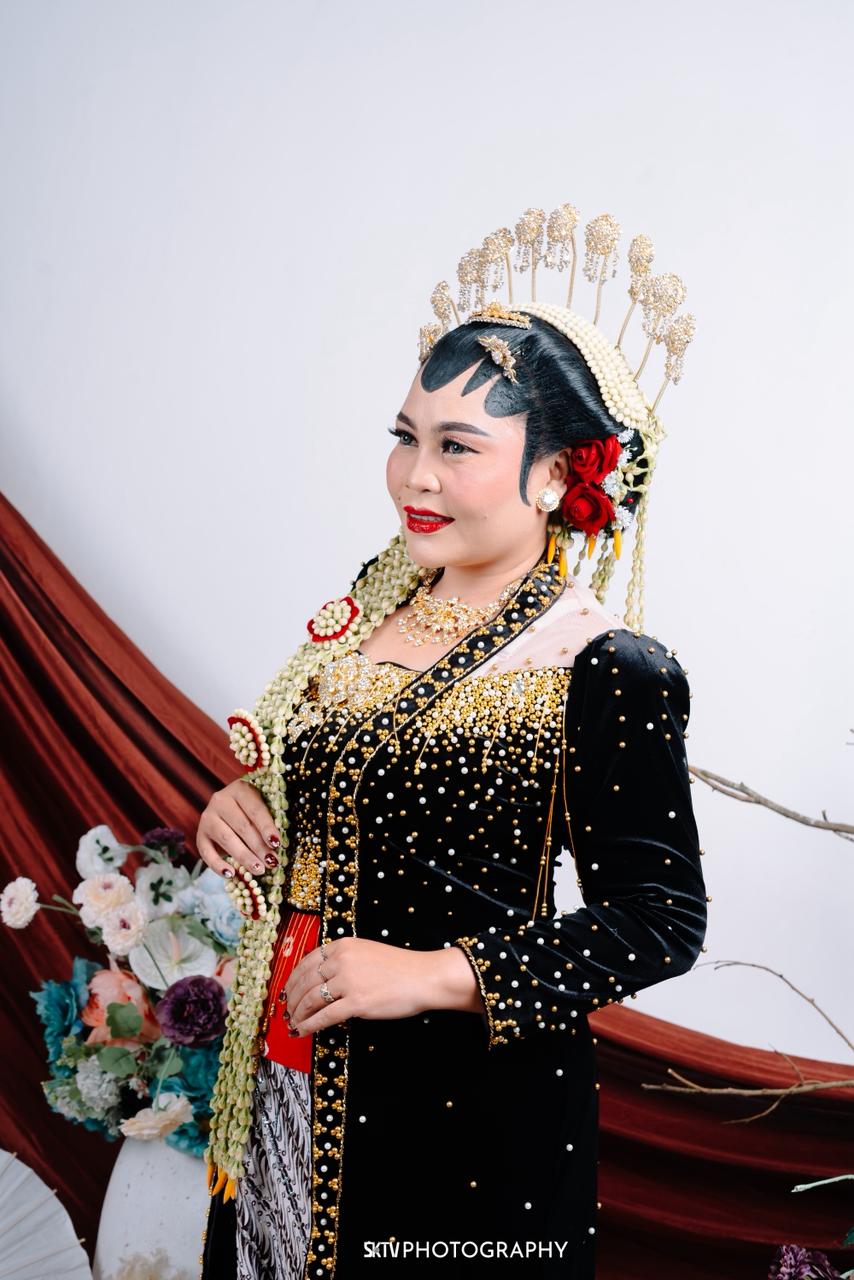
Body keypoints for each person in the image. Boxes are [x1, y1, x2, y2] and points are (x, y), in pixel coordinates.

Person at [196, 203, 708, 1279]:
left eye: (456, 447)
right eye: (406, 437)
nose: (414, 477)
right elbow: (335, 798)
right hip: (285, 1068)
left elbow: (660, 920)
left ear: (556, 473)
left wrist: (434, 974)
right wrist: (246, 807)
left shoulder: (601, 663)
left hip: (461, 1116)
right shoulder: (372, 609)